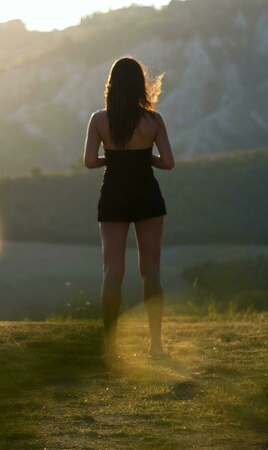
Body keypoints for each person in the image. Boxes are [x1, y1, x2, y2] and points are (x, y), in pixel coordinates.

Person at [83, 56, 175, 359]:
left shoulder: (99, 120)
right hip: (147, 195)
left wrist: (113, 158)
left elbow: (89, 162)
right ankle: (156, 345)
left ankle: (110, 346)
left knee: (112, 270)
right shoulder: (153, 121)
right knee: (151, 271)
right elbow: (168, 163)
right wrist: (144, 158)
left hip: (114, 196)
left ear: (112, 85)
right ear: (140, 85)